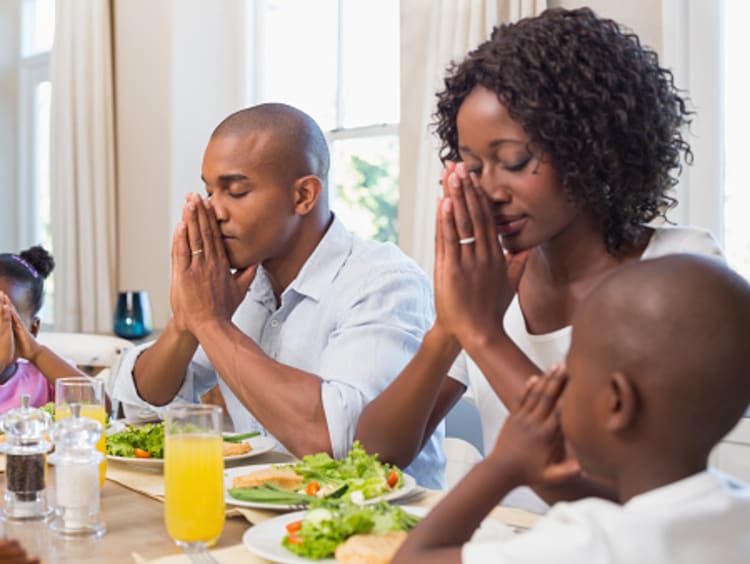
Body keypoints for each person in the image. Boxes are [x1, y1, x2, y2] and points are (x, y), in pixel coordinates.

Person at [355, 7, 723, 507]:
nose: (489, 189)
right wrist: (448, 331)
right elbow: (374, 456)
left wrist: (483, 334)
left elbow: (613, 484)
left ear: (589, 147)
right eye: (472, 166)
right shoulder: (490, 279)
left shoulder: (682, 269)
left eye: (513, 161)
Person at [112, 103, 444, 488]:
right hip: (262, 521)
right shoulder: (239, 285)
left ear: (304, 195)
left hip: (377, 532)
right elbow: (140, 407)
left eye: (235, 191)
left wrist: (210, 323)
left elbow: (339, 444)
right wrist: (185, 325)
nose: (213, 210)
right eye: (208, 190)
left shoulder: (384, 282)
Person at [393, 254, 750, 564]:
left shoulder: (591, 542)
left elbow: (413, 558)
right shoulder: (738, 510)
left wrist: (504, 465)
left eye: (569, 373)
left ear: (617, 403)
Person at [0, 245, 88, 411]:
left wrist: (38, 353)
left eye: (6, 319)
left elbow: (101, 410)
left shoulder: (46, 375)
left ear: (32, 330)